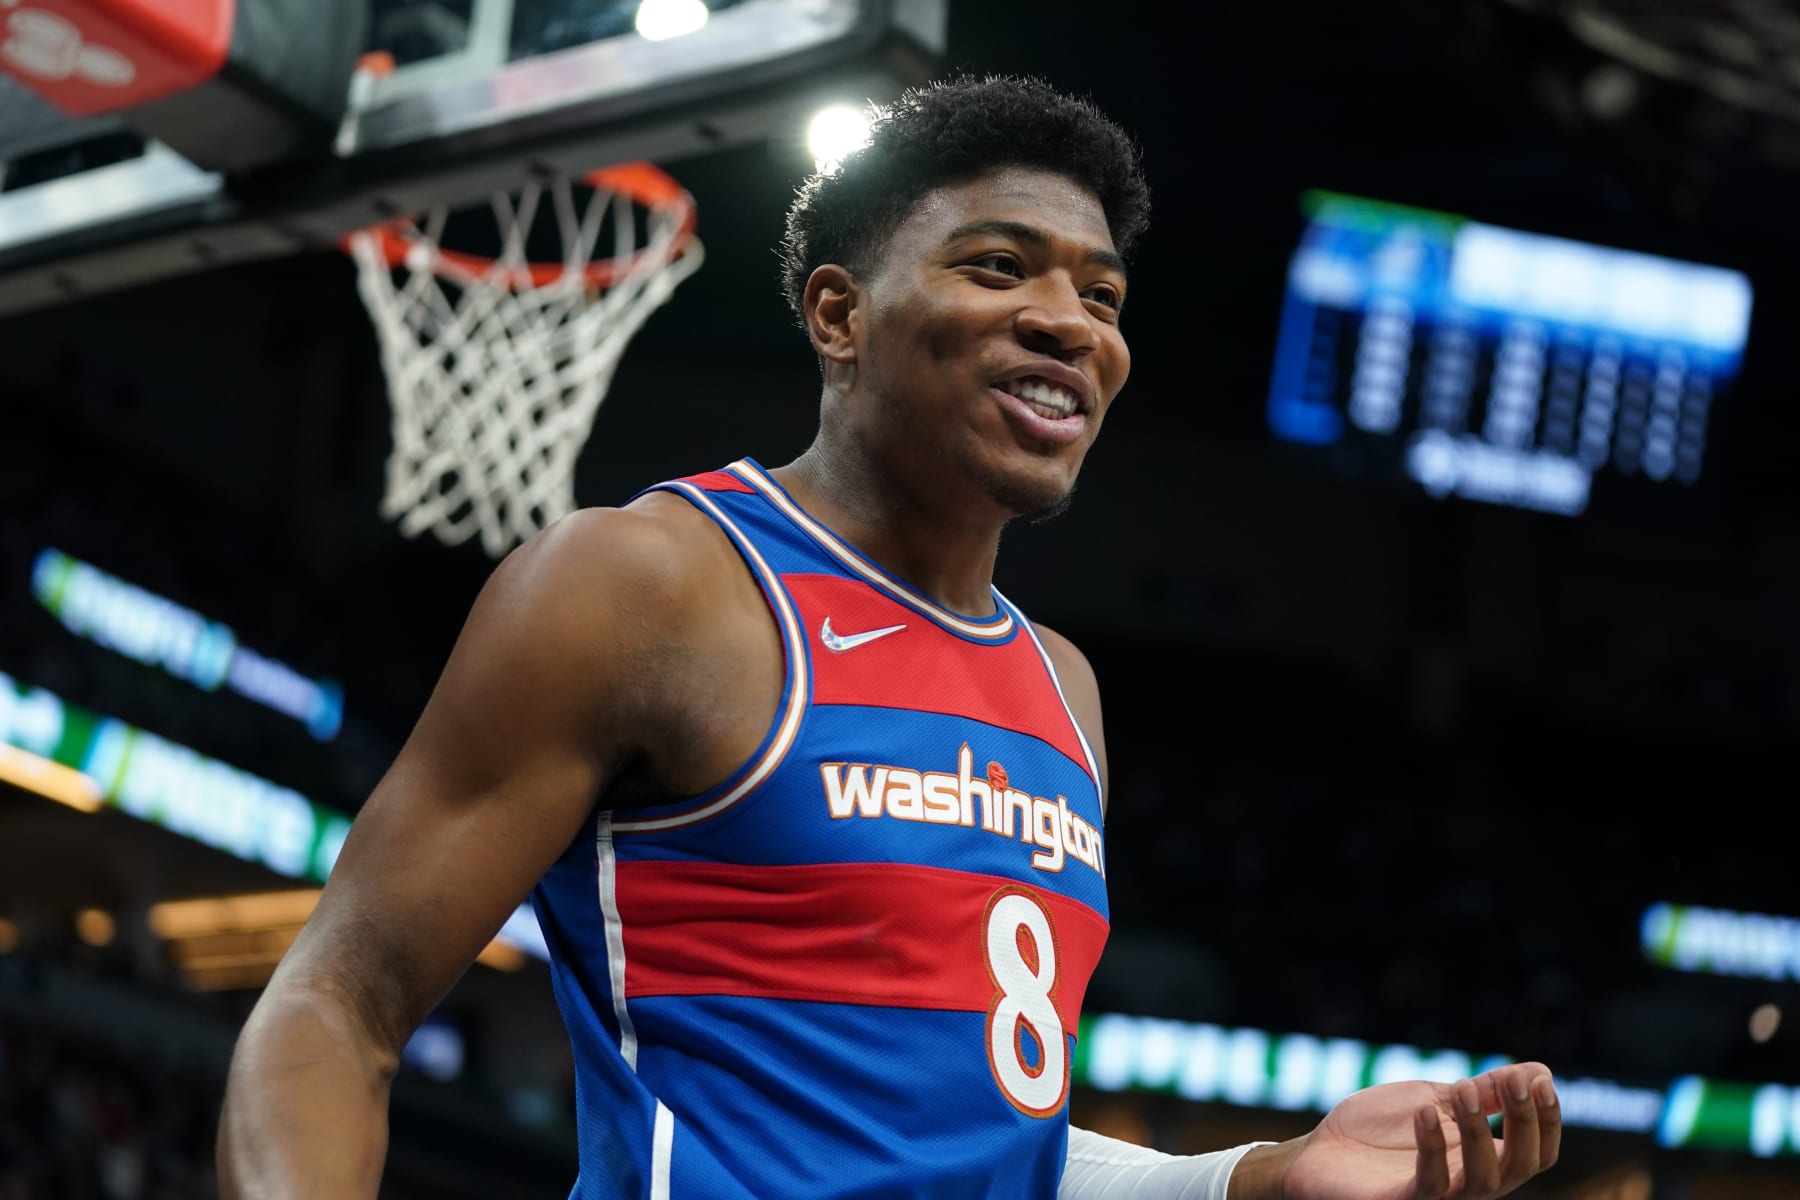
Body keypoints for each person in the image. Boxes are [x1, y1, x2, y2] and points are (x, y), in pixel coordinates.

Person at [216, 74, 1563, 1199]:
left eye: (1104, 297)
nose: (1069, 323)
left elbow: (985, 1146)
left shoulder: (1061, 690)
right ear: (840, 315)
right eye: (999, 266)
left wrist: (1257, 1177)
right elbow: (338, 1005)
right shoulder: (650, 587)